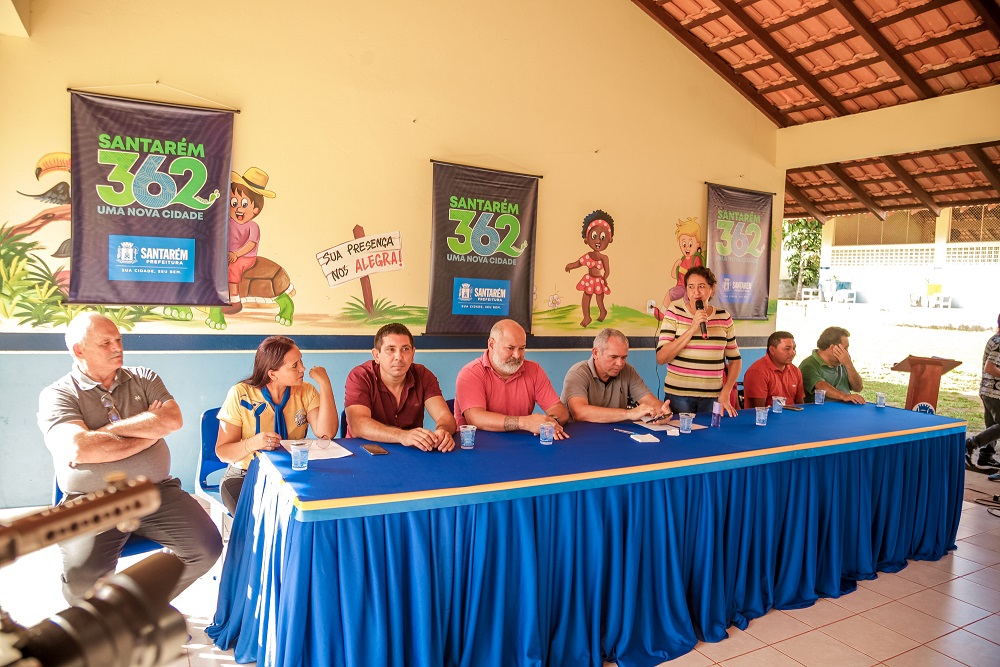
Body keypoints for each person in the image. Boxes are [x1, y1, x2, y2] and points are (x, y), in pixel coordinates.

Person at [37, 312, 223, 604]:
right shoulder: (58, 394)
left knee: (207, 547)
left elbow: (172, 420)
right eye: (106, 343)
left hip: (156, 490)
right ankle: (107, 620)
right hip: (93, 500)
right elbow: (80, 448)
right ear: (79, 350)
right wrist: (148, 433)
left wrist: (106, 432)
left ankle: (141, 609)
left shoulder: (144, 377)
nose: (117, 347)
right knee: (83, 584)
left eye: (119, 340)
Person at [215, 335, 337, 514]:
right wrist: (253, 444)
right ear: (272, 374)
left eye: (301, 361)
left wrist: (324, 383)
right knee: (266, 520)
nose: (302, 368)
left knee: (321, 508)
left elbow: (326, 432)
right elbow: (223, 452)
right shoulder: (240, 394)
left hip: (291, 474)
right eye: (295, 365)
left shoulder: (305, 391)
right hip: (245, 476)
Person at [344, 323, 456, 451]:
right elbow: (358, 424)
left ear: (413, 353)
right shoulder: (360, 376)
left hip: (409, 453)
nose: (399, 357)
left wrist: (442, 431)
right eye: (390, 349)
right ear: (376, 355)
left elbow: (445, 417)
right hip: (363, 452)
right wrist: (402, 435)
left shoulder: (423, 375)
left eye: (405, 349)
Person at [454, 319, 570, 439]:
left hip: (522, 445)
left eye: (522, 348)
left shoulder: (534, 370)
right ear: (491, 344)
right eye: (510, 348)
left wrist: (550, 422)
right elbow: (476, 418)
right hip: (478, 446)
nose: (517, 355)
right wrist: (525, 423)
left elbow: (559, 409)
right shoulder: (470, 373)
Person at [655, 266, 741, 415]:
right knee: (680, 437)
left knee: (710, 436)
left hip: (713, 396)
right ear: (686, 291)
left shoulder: (724, 317)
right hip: (679, 396)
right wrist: (693, 327)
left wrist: (726, 392)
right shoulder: (674, 312)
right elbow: (661, 358)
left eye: (701, 286)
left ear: (712, 289)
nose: (696, 292)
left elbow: (735, 360)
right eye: (691, 287)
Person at [561, 328, 672, 423]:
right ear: (595, 353)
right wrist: (629, 414)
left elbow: (651, 403)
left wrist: (662, 411)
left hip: (614, 435)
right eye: (613, 357)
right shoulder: (578, 373)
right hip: (579, 436)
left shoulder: (627, 370)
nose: (620, 364)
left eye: (624, 357)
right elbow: (579, 413)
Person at [226, 167, 275, 314]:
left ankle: (234, 301)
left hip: (246, 257)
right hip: (230, 255)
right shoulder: (228, 222)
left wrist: (236, 254)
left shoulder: (253, 226)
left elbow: (251, 244)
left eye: (244, 204)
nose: (238, 208)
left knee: (233, 267)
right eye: (234, 203)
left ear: (256, 210)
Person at [564, 210, 614, 327]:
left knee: (599, 300)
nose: (597, 241)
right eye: (594, 236)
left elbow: (607, 270)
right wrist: (570, 266)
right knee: (586, 298)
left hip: (599, 281)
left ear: (609, 239)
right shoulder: (587, 256)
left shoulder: (604, 258)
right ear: (587, 239)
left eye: (602, 237)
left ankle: (603, 311)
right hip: (589, 280)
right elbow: (578, 263)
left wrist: (605, 279)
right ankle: (587, 317)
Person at [798, 326, 865, 404]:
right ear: (833, 347)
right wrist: (844, 396)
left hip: (845, 410)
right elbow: (821, 386)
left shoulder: (843, 361)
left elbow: (858, 388)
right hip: (823, 412)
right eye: (845, 348)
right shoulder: (808, 365)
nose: (846, 352)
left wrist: (849, 364)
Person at [968, 315, 1000, 476]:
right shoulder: (999, 341)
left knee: (992, 425)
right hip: (995, 392)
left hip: (988, 390)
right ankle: (972, 444)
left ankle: (985, 457)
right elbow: (990, 367)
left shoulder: (994, 338)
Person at [743, 331, 805, 408]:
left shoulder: (795, 370)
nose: (792, 353)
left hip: (792, 417)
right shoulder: (757, 372)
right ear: (772, 350)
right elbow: (759, 410)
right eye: (787, 349)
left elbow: (800, 404)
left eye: (794, 348)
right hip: (768, 418)